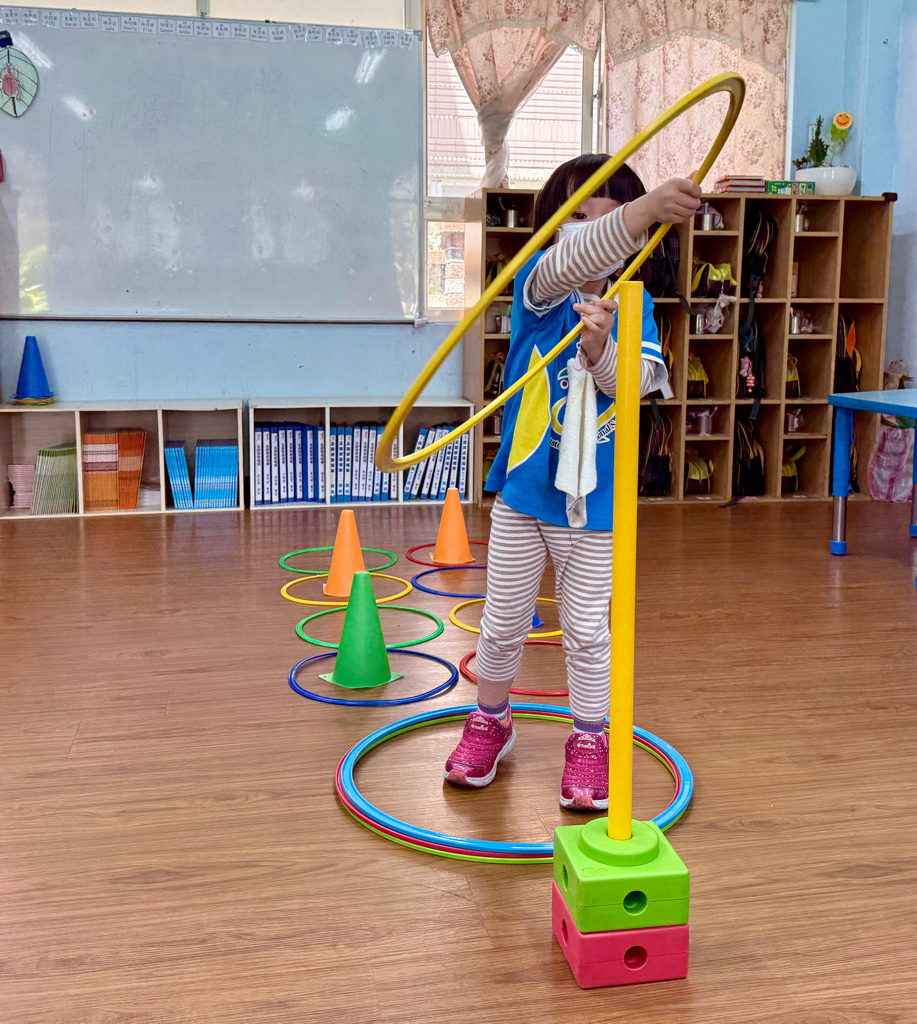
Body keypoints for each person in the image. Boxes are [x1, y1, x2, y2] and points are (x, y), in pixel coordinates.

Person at [444, 156, 701, 810]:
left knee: (587, 631)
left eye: (611, 218)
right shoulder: (538, 288)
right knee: (502, 621)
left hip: (593, 510)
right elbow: (570, 260)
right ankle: (490, 720)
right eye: (576, 218)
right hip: (524, 497)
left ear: (636, 245)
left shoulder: (636, 309)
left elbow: (631, 388)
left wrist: (599, 349)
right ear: (551, 229)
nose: (593, 231)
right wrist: (640, 212)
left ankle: (589, 738)